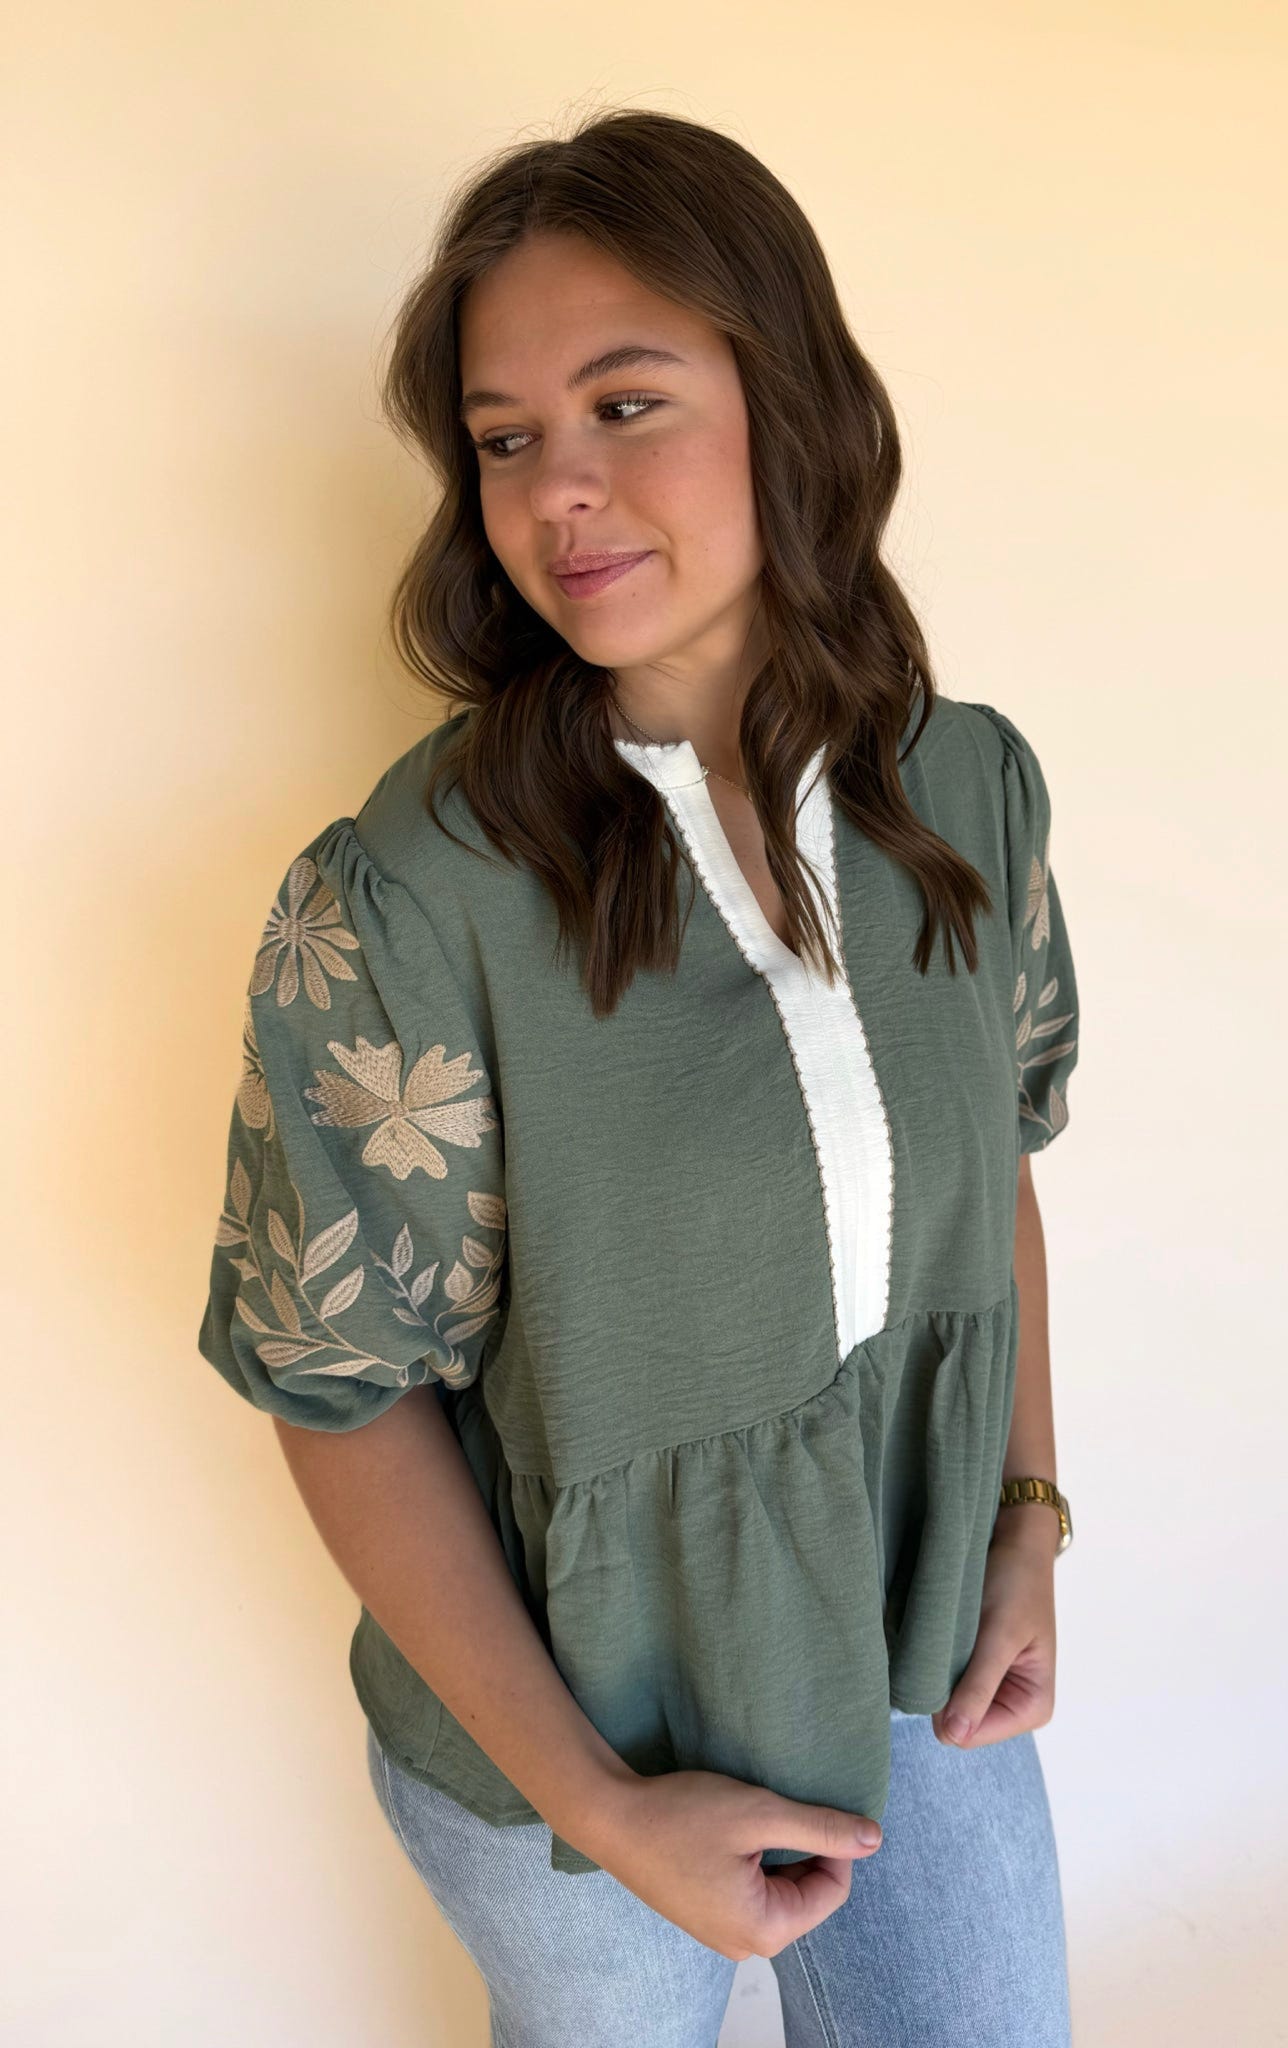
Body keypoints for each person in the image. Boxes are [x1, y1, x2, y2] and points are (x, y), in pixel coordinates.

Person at [195, 106, 1081, 2046]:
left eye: (625, 403)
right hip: (568, 1748)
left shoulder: (970, 793)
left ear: (795, 400)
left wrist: (1024, 1509)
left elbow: (990, 1160)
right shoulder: (412, 902)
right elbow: (343, 1395)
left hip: (904, 1643)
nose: (557, 494)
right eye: (508, 439)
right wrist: (604, 1804)